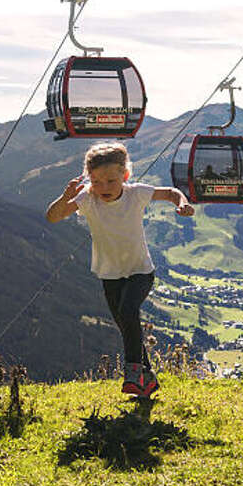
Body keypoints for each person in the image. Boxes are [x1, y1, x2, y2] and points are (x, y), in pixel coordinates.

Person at [46, 141, 194, 398]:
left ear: (124, 176)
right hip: (110, 274)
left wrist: (182, 203)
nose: (103, 188)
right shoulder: (87, 198)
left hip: (140, 270)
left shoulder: (136, 193)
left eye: (111, 181)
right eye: (97, 181)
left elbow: (170, 192)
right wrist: (65, 196)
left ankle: (133, 371)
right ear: (89, 179)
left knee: (128, 310)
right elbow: (53, 216)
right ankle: (146, 383)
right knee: (127, 326)